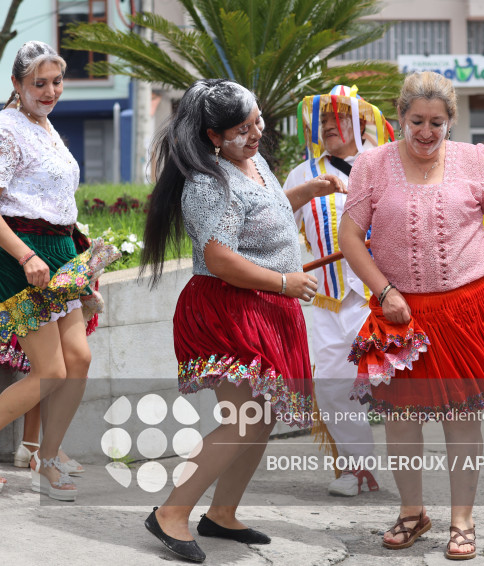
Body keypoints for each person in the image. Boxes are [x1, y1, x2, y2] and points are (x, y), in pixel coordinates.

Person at [338, 71, 484, 561]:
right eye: (417, 120)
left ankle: (462, 521)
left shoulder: (473, 159)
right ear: (400, 117)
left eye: (436, 123)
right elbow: (350, 236)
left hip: (467, 310)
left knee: (462, 419)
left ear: (450, 121)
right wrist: (384, 290)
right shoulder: (372, 165)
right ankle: (412, 512)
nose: (426, 131)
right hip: (400, 313)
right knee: (402, 419)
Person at [139, 78, 323, 563]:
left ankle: (222, 514)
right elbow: (220, 257)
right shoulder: (208, 182)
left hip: (264, 305)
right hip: (228, 309)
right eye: (243, 128)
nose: (256, 132)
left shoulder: (252, 162)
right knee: (244, 420)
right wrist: (283, 282)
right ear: (213, 136)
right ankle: (171, 513)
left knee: (260, 419)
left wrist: (306, 191)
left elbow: (263, 213)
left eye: (257, 121)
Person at [0, 41, 117, 500]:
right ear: (17, 84)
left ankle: (47, 457)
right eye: (38, 83)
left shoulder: (44, 125)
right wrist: (26, 256)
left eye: (56, 82)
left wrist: (82, 259)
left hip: (59, 254)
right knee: (50, 371)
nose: (50, 91)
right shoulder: (4, 130)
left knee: (78, 359)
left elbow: (54, 200)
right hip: (19, 257)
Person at [283, 84, 394, 497]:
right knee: (331, 387)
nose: (329, 125)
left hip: (378, 297)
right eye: (324, 119)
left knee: (393, 384)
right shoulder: (302, 174)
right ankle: (355, 469)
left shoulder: (386, 164)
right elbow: (275, 221)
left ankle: (410, 471)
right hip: (328, 300)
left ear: (361, 122)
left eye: (339, 117)